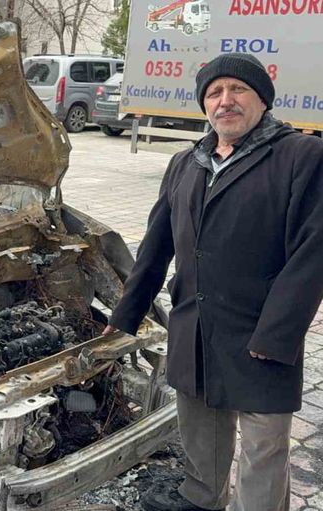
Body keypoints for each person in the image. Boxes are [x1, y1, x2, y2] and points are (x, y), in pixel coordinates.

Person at [103, 53, 323, 511]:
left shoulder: (301, 156)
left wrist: (277, 334)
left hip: (259, 330)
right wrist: (126, 314)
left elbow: (313, 253)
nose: (226, 101)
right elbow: (156, 244)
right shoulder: (186, 162)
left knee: (263, 447)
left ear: (262, 99)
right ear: (204, 104)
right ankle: (203, 499)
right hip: (195, 322)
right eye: (214, 92)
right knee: (201, 429)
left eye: (238, 89)